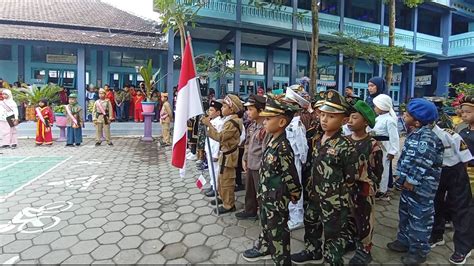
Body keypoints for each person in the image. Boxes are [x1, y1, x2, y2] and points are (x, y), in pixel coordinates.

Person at [292, 89, 358, 265]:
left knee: (333, 232)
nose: (324, 119)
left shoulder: (345, 146)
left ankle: (332, 258)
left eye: (331, 116)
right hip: (314, 193)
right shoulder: (317, 138)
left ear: (344, 120)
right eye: (322, 114)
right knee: (311, 223)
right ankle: (312, 251)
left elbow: (351, 177)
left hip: (333, 199)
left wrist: (340, 196)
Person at [242, 95, 301, 264]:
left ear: (282, 122)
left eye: (268, 118)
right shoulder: (272, 141)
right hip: (267, 196)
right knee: (267, 224)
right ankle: (266, 247)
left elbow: (290, 173)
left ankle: (282, 259)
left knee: (278, 231)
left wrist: (295, 192)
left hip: (277, 198)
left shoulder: (283, 146)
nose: (265, 121)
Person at [387, 98, 444, 264]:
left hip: (421, 188)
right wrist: (401, 177)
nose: (404, 116)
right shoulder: (415, 134)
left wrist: (411, 180)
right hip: (408, 186)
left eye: (407, 115)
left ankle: (419, 251)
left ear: (417, 122)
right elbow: (407, 159)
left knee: (420, 219)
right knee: (405, 214)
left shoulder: (427, 138)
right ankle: (403, 241)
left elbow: (422, 162)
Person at [346, 100, 383, 265]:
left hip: (363, 189)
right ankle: (350, 241)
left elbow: (377, 171)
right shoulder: (345, 140)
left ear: (366, 122)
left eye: (354, 118)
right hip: (346, 188)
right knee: (349, 217)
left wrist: (371, 188)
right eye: (349, 117)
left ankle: (365, 249)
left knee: (364, 219)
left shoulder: (372, 144)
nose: (349, 121)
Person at [430, 123, 473, 265]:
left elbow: (465, 158)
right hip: (436, 172)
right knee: (435, 204)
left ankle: (463, 248)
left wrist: (460, 177)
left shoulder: (450, 135)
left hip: (455, 171)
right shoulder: (419, 135)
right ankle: (436, 235)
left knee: (461, 208)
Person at [201, 94, 244, 214]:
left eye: (225, 106)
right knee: (221, 179)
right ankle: (223, 198)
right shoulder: (228, 120)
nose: (222, 108)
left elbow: (221, 137)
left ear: (231, 109)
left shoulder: (233, 122)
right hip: (225, 154)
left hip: (229, 156)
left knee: (227, 181)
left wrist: (209, 125)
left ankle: (229, 204)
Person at [235, 94, 267, 220]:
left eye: (251, 109)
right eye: (247, 109)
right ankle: (250, 210)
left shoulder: (266, 127)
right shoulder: (252, 125)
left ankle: (264, 216)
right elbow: (247, 144)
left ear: (261, 110)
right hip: (250, 163)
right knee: (250, 190)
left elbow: (265, 150)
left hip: (260, 165)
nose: (248, 112)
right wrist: (244, 158)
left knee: (261, 193)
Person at [283, 87, 310, 231]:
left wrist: (302, 161)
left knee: (295, 187)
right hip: (287, 160)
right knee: (288, 188)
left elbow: (302, 145)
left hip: (294, 161)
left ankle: (297, 218)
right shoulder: (288, 121)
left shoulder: (296, 124)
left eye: (287, 102)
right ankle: (291, 215)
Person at [371, 94, 400, 201]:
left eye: (376, 106)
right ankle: (376, 186)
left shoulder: (390, 120)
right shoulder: (378, 118)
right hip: (376, 146)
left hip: (384, 147)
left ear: (382, 107)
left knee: (384, 168)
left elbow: (394, 137)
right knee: (376, 167)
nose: (374, 108)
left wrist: (393, 151)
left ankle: (382, 191)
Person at [203, 100, 225, 197]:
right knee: (211, 170)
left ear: (218, 112)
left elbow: (217, 140)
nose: (210, 112)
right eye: (209, 110)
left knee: (215, 170)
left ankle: (216, 188)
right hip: (209, 149)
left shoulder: (219, 123)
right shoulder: (211, 121)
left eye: (212, 110)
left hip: (214, 151)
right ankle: (212, 185)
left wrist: (216, 154)